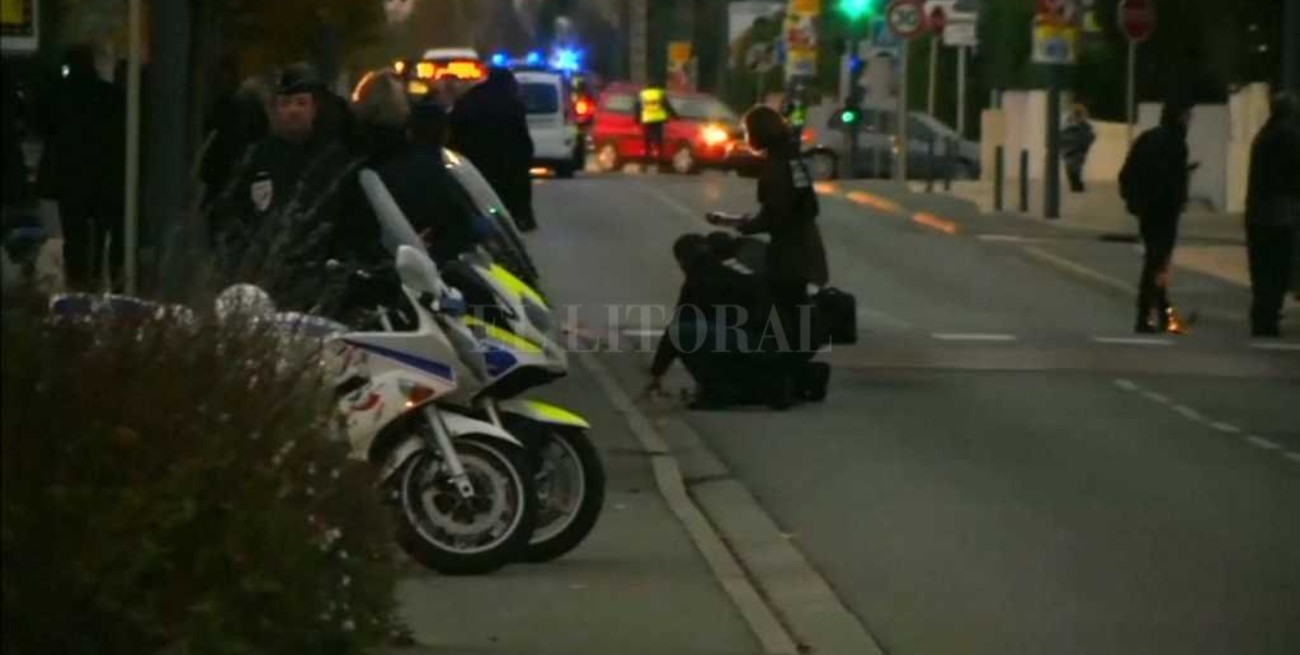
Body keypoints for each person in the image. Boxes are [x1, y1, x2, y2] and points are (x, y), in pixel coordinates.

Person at [209, 63, 356, 310]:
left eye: (301, 103)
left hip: (317, 277)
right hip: (265, 277)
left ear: (315, 109)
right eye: (285, 104)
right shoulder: (258, 157)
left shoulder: (333, 159)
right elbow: (235, 212)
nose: (293, 111)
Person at [36, 40, 126, 292]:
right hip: (103, 174)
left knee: (74, 234)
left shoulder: (58, 94)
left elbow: (42, 125)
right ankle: (99, 275)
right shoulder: (109, 95)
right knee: (103, 231)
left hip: (69, 175)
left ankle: (78, 283)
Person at [1119, 97, 1195, 334]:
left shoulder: (1147, 138)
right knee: (1156, 263)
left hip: (1146, 210)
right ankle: (1145, 317)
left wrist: (1133, 200)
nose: (1190, 121)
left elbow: (1127, 173)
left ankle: (1166, 316)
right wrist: (1180, 199)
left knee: (1156, 261)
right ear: (1180, 117)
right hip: (1165, 212)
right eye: (1188, 116)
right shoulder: (1176, 143)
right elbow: (1174, 181)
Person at [378, 99, 484, 264]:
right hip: (440, 261)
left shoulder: (391, 169)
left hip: (410, 257)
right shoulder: (442, 170)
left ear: (409, 132)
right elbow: (466, 222)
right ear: (446, 133)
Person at [449, 67, 537, 231]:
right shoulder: (511, 103)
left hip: (476, 162)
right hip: (507, 163)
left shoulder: (470, 99)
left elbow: (455, 131)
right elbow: (520, 136)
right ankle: (520, 219)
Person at [1243, 91, 1300, 338]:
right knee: (1277, 268)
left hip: (1256, 212)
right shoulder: (1289, 136)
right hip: (1279, 214)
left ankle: (1261, 316)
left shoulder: (1263, 136)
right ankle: (1268, 317)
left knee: (1261, 269)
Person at [1061, 103, 1096, 193]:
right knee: (1071, 169)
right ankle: (1076, 185)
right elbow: (1091, 136)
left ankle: (1076, 185)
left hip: (1076, 151)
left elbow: (1090, 136)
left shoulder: (1083, 126)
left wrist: (1084, 146)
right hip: (1070, 150)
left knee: (1074, 168)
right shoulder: (1070, 124)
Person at [637, 84, 669, 168]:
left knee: (646, 142)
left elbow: (638, 107)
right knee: (658, 142)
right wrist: (673, 116)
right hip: (658, 121)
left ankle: (644, 164)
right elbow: (667, 106)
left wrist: (637, 118)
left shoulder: (643, 94)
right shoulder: (660, 93)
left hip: (646, 120)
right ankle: (659, 163)